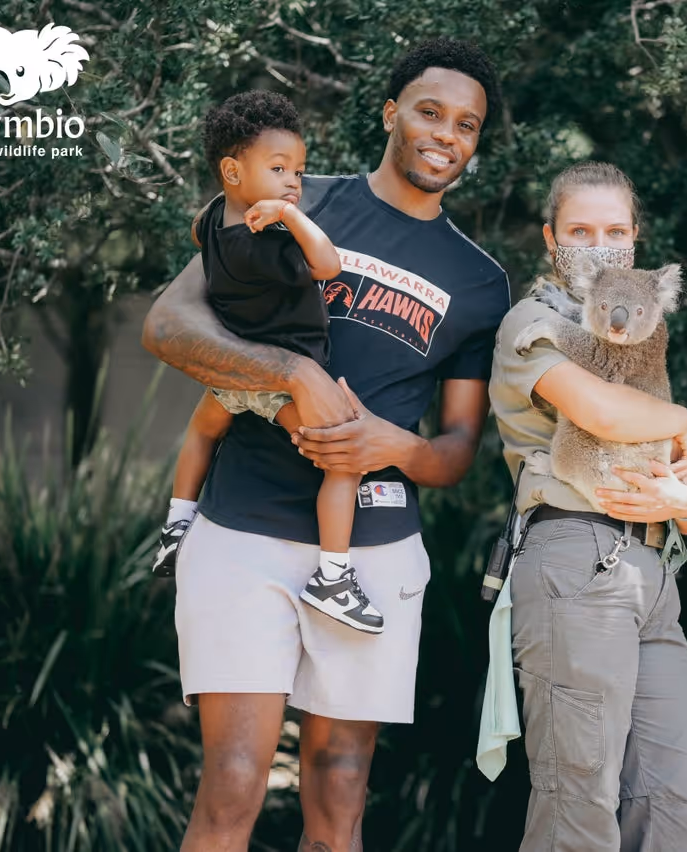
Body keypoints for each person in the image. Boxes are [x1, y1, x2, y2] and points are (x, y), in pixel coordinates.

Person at [141, 38, 508, 851]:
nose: (446, 134)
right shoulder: (299, 197)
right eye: (429, 111)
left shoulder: (481, 282)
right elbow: (168, 323)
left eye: (468, 125)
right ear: (390, 113)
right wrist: (290, 376)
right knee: (233, 783)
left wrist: (389, 445)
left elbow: (453, 453)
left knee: (340, 794)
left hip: (369, 551)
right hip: (244, 526)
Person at [487, 161, 687, 850]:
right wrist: (682, 418)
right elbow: (604, 414)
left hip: (655, 571)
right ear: (552, 239)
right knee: (577, 804)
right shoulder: (534, 321)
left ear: (636, 240)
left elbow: (686, 486)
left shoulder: (642, 327)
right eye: (581, 230)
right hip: (575, 559)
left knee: (678, 807)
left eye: (615, 230)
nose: (600, 244)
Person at [151, 90, 385, 634]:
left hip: (234, 372)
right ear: (233, 171)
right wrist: (289, 217)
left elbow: (195, 229)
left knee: (203, 431)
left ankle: (176, 527)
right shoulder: (269, 247)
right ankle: (334, 575)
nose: (294, 183)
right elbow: (328, 265)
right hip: (285, 381)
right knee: (343, 462)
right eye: (279, 169)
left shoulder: (213, 221)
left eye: (298, 172)